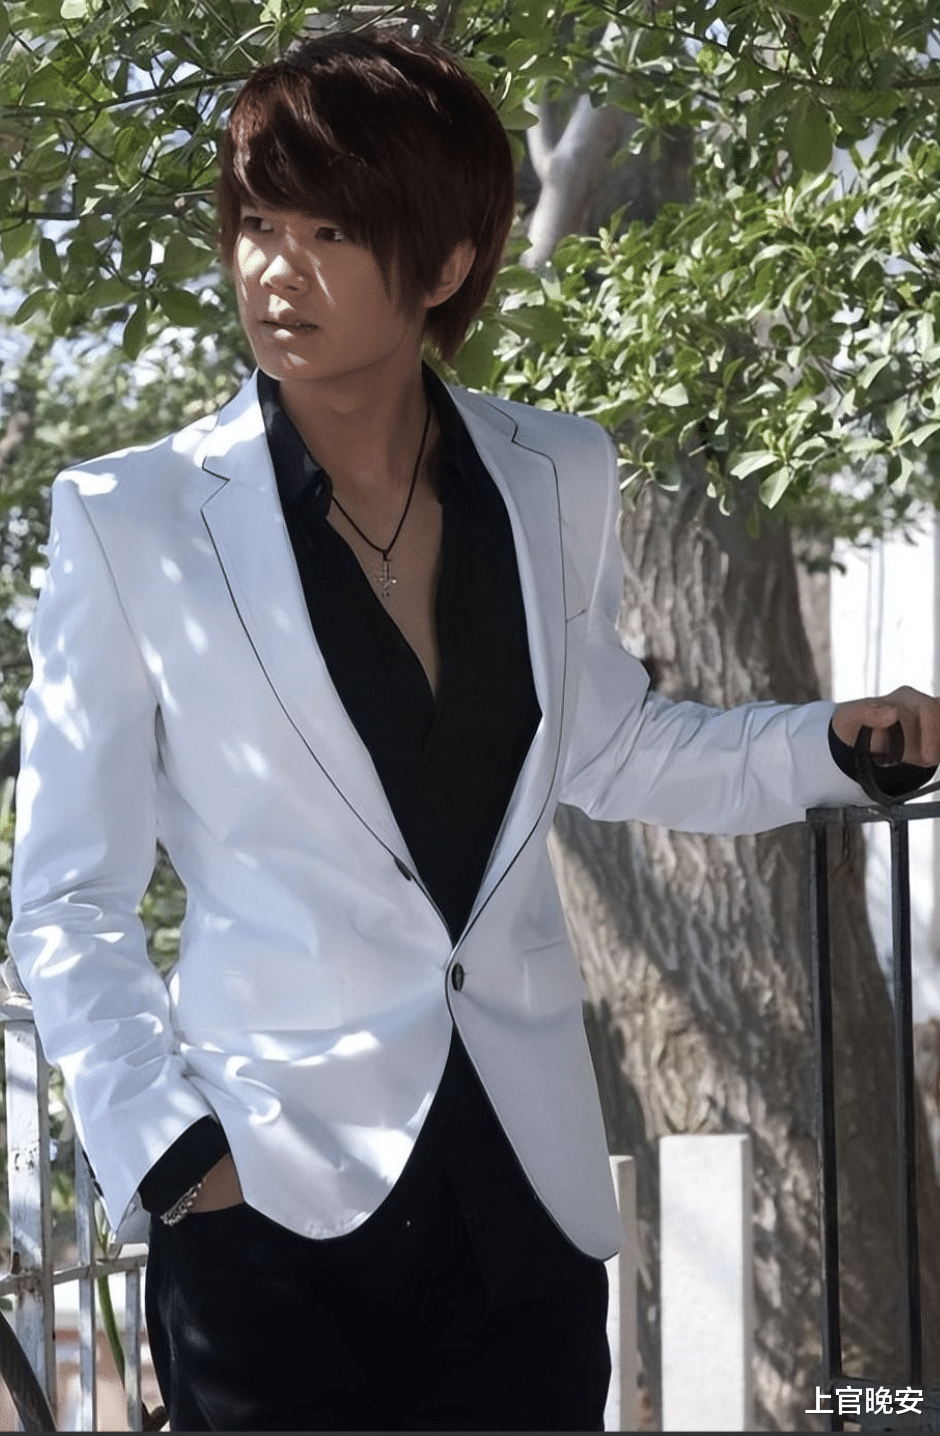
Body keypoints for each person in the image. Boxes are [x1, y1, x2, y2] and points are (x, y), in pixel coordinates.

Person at [7, 26, 939, 1434]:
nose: (275, 270)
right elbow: (68, 894)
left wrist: (829, 748)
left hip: (520, 1196)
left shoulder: (556, 473)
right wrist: (175, 1155)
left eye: (330, 231)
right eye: (257, 225)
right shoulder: (129, 519)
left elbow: (610, 742)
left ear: (444, 263)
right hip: (268, 1207)